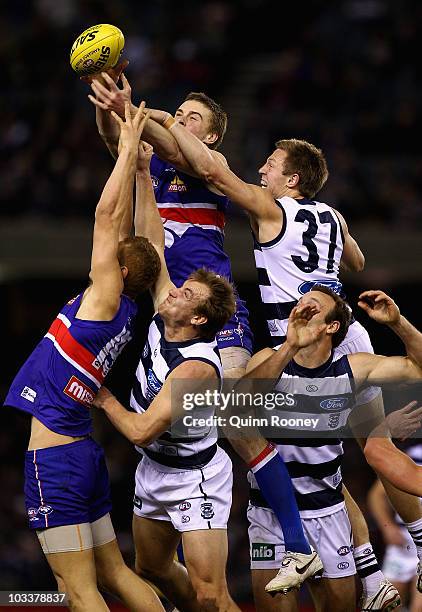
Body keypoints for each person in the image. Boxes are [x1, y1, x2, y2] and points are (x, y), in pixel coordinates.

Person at [159, 116, 422, 601]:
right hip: (348, 335)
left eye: (272, 165)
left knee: (257, 436)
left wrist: (160, 125)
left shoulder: (272, 209)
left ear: (292, 180)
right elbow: (357, 263)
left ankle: (326, 557)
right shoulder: (333, 217)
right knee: (374, 453)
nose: (262, 170)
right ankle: (389, 564)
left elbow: (214, 175)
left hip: (303, 347)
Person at [86, 70, 325, 594]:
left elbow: (182, 149)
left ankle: (300, 544)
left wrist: (150, 117)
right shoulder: (152, 171)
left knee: (238, 417)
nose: (180, 122)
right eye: (179, 113)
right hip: (165, 306)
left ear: (211, 135)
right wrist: (112, 107)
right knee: (173, 425)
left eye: (193, 118)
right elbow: (116, 139)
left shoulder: (209, 167)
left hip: (216, 310)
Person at [3, 103, 164, 611]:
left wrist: (124, 150)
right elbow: (136, 239)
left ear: (116, 270)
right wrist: (140, 171)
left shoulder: (103, 300)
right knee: (115, 573)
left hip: (56, 458)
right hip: (83, 454)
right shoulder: (127, 307)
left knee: (77, 591)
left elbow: (103, 217)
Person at [93, 129, 240, 612]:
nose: (174, 289)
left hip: (195, 475)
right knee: (151, 569)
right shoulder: (167, 313)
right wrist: (141, 173)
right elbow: (153, 247)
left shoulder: (196, 367)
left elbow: (137, 429)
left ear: (198, 319)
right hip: (155, 468)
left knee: (210, 593)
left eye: (188, 294)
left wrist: (98, 392)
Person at [241, 286, 422, 611]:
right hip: (270, 517)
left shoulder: (353, 369)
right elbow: (236, 406)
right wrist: (289, 346)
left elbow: (417, 368)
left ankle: (373, 576)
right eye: (299, 305)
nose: (300, 308)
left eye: (312, 307)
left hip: (329, 515)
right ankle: (372, 576)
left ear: (332, 326)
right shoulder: (269, 359)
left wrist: (398, 323)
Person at [368, 443, 422, 612]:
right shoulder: (414, 454)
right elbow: (377, 494)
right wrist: (388, 527)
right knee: (389, 604)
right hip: (404, 541)